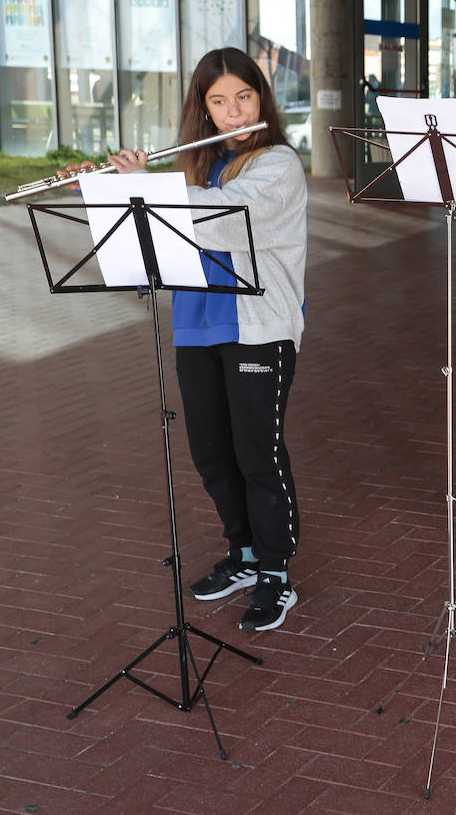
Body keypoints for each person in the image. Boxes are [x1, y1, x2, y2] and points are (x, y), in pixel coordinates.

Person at [100, 48, 308, 633]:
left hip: (257, 327)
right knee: (212, 455)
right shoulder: (196, 165)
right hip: (195, 324)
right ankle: (242, 555)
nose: (234, 112)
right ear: (204, 109)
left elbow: (228, 217)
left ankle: (275, 574)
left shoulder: (278, 164)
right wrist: (123, 196)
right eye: (219, 101)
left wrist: (149, 189)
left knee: (256, 456)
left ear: (261, 97)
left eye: (244, 96)